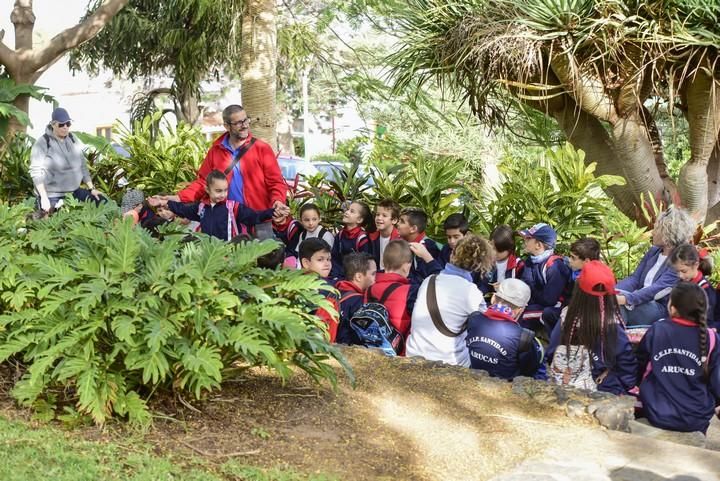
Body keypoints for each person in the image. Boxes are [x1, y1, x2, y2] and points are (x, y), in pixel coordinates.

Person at [170, 104, 289, 238]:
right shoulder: (216, 151)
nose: (244, 125)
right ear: (227, 126)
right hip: (227, 220)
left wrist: (278, 201)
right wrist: (179, 197)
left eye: (246, 120)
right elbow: (203, 182)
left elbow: (276, 182)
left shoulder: (262, 148)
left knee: (266, 256)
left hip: (258, 220)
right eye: (238, 122)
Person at [636, 282, 720, 434]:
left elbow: (640, 366)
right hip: (696, 418)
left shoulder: (658, 329)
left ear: (672, 308)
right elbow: (716, 381)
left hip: (657, 412)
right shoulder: (712, 337)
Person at [546, 261, 637, 394]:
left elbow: (551, 353)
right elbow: (627, 366)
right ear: (611, 296)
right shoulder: (612, 326)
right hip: (603, 390)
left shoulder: (567, 318)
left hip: (565, 386)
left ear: (577, 293)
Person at [406, 234, 494, 367]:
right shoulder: (472, 292)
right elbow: (485, 328)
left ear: (452, 255)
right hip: (449, 362)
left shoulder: (429, 280)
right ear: (479, 266)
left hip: (413, 353)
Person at [616, 207, 695, 327]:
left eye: (656, 229)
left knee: (618, 308)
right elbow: (635, 279)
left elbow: (656, 290)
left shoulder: (679, 261)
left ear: (668, 234)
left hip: (658, 308)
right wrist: (613, 291)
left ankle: (612, 341)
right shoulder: (654, 251)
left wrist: (625, 299)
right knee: (610, 303)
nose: (652, 232)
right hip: (638, 300)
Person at [149, 170, 277, 241]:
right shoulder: (201, 207)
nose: (223, 195)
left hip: (230, 253)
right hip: (208, 252)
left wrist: (273, 211)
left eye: (225, 190)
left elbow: (254, 216)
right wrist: (164, 202)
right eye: (218, 191)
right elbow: (183, 209)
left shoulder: (233, 207)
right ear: (207, 189)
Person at [365, 240, 439, 349]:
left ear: (384, 262)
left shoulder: (370, 288)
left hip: (373, 347)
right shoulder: (411, 291)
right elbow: (441, 285)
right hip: (400, 351)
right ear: (406, 266)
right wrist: (428, 257)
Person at [466, 278, 544, 380]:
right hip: (506, 389)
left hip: (473, 380)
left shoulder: (474, 319)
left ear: (493, 298)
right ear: (520, 310)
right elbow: (531, 368)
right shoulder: (525, 337)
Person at [29, 107, 105, 211]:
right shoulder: (43, 143)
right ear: (53, 124)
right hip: (52, 195)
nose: (65, 127)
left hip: (74, 192)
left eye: (68, 124)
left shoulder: (73, 139)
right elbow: (36, 173)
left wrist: (92, 189)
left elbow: (82, 165)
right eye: (61, 124)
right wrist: (44, 197)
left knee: (102, 202)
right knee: (58, 222)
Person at [518, 223, 572, 334]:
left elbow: (549, 300)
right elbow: (524, 285)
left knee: (519, 317)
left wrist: (530, 291)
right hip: (535, 304)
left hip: (553, 308)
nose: (525, 241)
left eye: (528, 239)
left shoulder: (555, 266)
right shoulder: (530, 260)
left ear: (538, 245)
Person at [298, 238, 339, 341]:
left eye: (328, 259)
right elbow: (328, 327)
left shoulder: (291, 283)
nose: (327, 264)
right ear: (306, 263)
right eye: (320, 260)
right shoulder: (328, 291)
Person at [669, 244, 716, 328]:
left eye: (684, 271)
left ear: (696, 265)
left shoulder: (706, 290)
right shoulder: (681, 283)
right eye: (677, 271)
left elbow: (708, 322)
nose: (680, 275)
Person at [335, 252, 377, 345]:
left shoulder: (335, 291)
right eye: (373, 274)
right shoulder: (358, 301)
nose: (376, 279)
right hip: (347, 352)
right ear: (358, 277)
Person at [397, 208, 443, 283]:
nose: (397, 224)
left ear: (413, 229)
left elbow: (423, 278)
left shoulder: (428, 247)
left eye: (402, 221)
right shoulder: (404, 243)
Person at [329, 201, 374, 278]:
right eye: (348, 209)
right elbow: (334, 258)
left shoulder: (362, 239)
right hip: (338, 275)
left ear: (359, 220)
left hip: (356, 278)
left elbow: (364, 264)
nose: (346, 212)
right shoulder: (340, 235)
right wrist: (336, 276)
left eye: (352, 211)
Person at [479, 224, 525, 295]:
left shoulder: (518, 266)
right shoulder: (488, 262)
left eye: (499, 251)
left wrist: (505, 288)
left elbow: (522, 291)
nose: (494, 253)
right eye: (493, 248)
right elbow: (484, 284)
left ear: (510, 249)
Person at [368, 199, 401, 271]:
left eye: (384, 215)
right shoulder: (371, 238)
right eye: (377, 214)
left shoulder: (400, 240)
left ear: (394, 220)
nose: (379, 218)